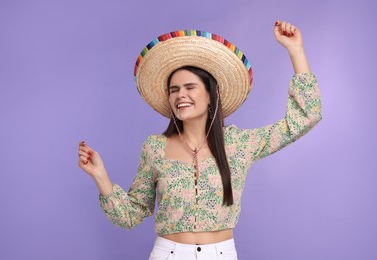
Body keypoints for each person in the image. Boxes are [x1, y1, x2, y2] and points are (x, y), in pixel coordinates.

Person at [78, 20, 322, 260]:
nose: (180, 95)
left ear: (210, 95)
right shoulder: (155, 148)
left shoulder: (238, 144)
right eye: (174, 90)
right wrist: (101, 176)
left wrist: (295, 50)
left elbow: (305, 118)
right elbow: (130, 216)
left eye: (189, 87)